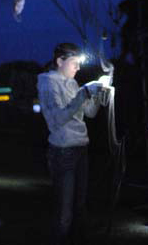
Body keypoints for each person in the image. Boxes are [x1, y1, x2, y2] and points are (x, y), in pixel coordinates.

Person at [37, 42, 105, 245]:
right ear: (60, 61)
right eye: (74, 63)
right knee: (64, 212)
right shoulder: (48, 82)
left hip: (81, 148)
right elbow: (57, 120)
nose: (77, 68)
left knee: (80, 206)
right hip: (63, 152)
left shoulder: (73, 83)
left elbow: (90, 113)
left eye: (78, 64)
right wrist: (84, 93)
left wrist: (100, 93)